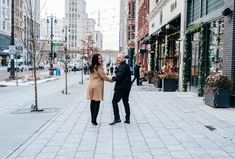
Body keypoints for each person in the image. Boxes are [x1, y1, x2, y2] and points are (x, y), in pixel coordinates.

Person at [87, 53, 113, 125]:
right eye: (99, 58)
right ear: (96, 59)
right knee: (97, 102)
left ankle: (92, 118)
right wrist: (113, 80)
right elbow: (104, 77)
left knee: (92, 102)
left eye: (101, 58)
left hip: (91, 86)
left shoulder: (92, 66)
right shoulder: (99, 67)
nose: (101, 59)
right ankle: (94, 120)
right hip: (97, 86)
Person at [110, 53, 132, 125]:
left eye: (119, 58)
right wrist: (117, 67)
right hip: (126, 88)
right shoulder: (124, 65)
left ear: (123, 58)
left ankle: (117, 118)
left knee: (114, 102)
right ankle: (127, 119)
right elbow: (119, 73)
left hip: (120, 88)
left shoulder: (123, 66)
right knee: (126, 102)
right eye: (117, 57)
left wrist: (113, 78)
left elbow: (118, 76)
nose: (117, 59)